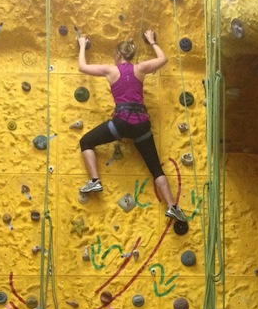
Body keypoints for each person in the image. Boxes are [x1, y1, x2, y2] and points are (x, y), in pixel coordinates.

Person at [76, 29, 187, 223]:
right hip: (141, 124)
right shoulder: (140, 68)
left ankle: (95, 181)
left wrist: (83, 45)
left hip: (121, 123)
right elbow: (163, 59)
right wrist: (152, 41)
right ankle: (172, 206)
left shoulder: (111, 70)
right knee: (155, 168)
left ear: (118, 55)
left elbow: (82, 67)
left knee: (86, 142)